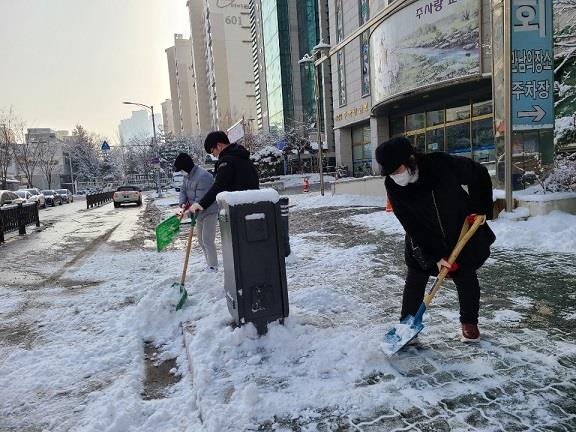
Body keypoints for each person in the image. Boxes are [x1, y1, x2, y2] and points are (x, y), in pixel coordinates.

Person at [375, 137, 496, 342]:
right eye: (390, 174)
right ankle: (407, 324)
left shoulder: (441, 165)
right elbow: (410, 223)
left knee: (465, 275)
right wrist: (436, 255)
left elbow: (479, 174)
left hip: (460, 230)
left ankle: (469, 323)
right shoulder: (393, 186)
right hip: (422, 238)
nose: (396, 177)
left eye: (397, 171)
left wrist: (480, 209)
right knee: (415, 278)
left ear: (410, 159)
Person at [188, 131, 259, 215]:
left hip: (239, 209)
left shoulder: (226, 161)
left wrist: (201, 204)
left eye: (212, 151)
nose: (213, 155)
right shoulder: (242, 156)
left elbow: (220, 185)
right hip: (254, 205)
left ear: (219, 146)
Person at [173, 152, 219, 272]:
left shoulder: (203, 177)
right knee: (200, 240)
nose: (181, 172)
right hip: (198, 214)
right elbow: (183, 190)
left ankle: (213, 266)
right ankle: (209, 263)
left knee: (207, 239)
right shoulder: (187, 176)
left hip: (209, 211)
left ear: (186, 166)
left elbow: (200, 202)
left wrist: (184, 214)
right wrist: (182, 204)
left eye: (181, 169)